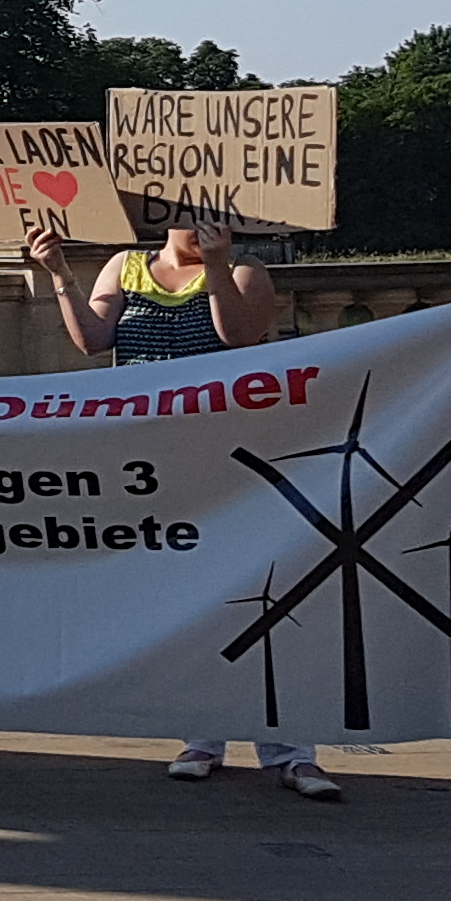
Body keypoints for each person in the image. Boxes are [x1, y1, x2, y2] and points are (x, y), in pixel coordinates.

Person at [38, 213, 325, 799]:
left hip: (233, 455)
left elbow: (239, 338)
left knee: (262, 596)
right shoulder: (126, 266)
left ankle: (292, 749)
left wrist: (218, 266)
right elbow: (94, 340)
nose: (205, 224)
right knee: (189, 601)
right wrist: (60, 273)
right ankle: (203, 733)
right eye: (192, 214)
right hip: (153, 461)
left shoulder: (247, 270)